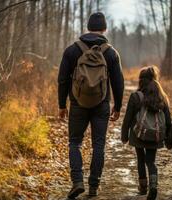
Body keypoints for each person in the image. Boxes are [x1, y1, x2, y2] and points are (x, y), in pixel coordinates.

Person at [58, 12, 124, 199]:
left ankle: (77, 181)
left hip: (77, 103)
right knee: (98, 145)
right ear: (104, 29)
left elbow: (62, 80)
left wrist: (62, 104)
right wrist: (117, 106)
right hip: (101, 104)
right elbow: (119, 83)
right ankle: (94, 186)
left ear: (87, 27)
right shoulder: (111, 53)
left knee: (74, 143)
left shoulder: (72, 50)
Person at [121, 66, 171, 200]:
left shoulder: (136, 96)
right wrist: (168, 138)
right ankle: (153, 186)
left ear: (141, 81)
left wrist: (124, 135)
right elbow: (168, 120)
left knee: (140, 159)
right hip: (155, 135)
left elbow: (128, 118)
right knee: (151, 161)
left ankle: (143, 187)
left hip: (138, 133)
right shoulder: (162, 97)